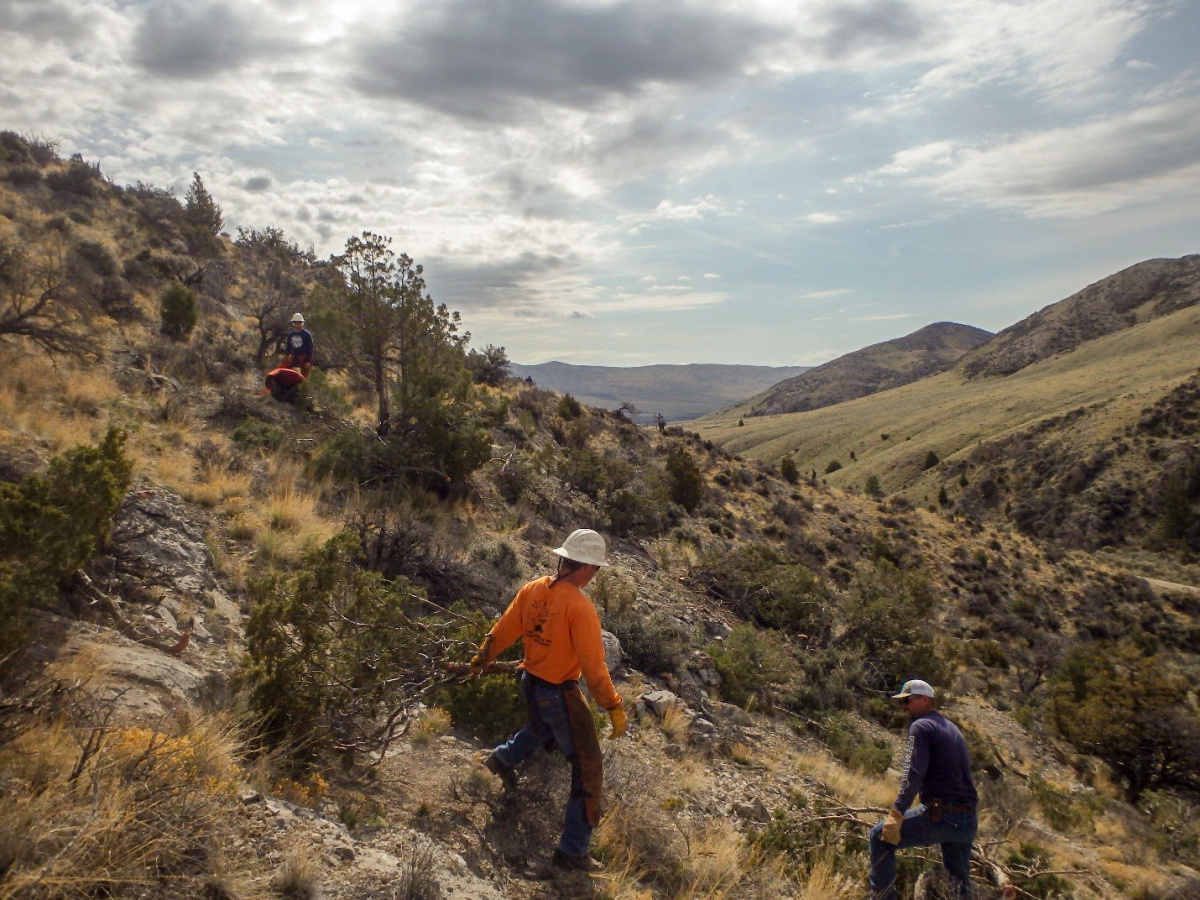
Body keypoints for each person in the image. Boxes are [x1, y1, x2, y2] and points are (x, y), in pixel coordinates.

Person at [471, 528, 628, 872]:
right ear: (586, 567)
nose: (595, 575)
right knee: (587, 766)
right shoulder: (580, 607)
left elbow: (505, 627)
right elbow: (593, 667)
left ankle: (497, 761)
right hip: (559, 692)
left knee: (538, 730)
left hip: (530, 681)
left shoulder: (534, 589)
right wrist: (613, 705)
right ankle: (573, 851)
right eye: (596, 569)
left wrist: (485, 655)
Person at [869, 679, 978, 900]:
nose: (904, 707)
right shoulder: (952, 728)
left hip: (942, 815)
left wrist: (897, 813)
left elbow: (913, 773)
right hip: (967, 820)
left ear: (924, 699)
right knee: (959, 884)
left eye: (907, 701)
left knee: (879, 838)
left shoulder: (921, 726)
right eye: (901, 703)